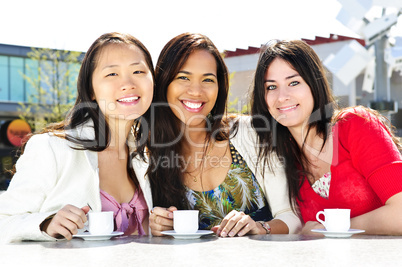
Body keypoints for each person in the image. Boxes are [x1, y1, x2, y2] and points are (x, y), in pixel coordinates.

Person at [140, 33, 301, 237]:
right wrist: (158, 225)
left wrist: (261, 227)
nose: (196, 91)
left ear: (219, 87)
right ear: (164, 83)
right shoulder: (148, 154)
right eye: (183, 77)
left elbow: (291, 216)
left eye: (208, 79)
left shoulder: (250, 133)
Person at [0, 32, 155, 243]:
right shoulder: (51, 148)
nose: (128, 83)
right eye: (112, 74)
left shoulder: (147, 155)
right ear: (91, 89)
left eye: (138, 71)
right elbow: (4, 221)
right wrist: (45, 224)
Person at [250, 39, 402, 235]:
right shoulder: (282, 157)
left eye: (294, 82)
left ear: (314, 83)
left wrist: (333, 228)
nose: (282, 96)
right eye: (271, 87)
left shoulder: (355, 124)